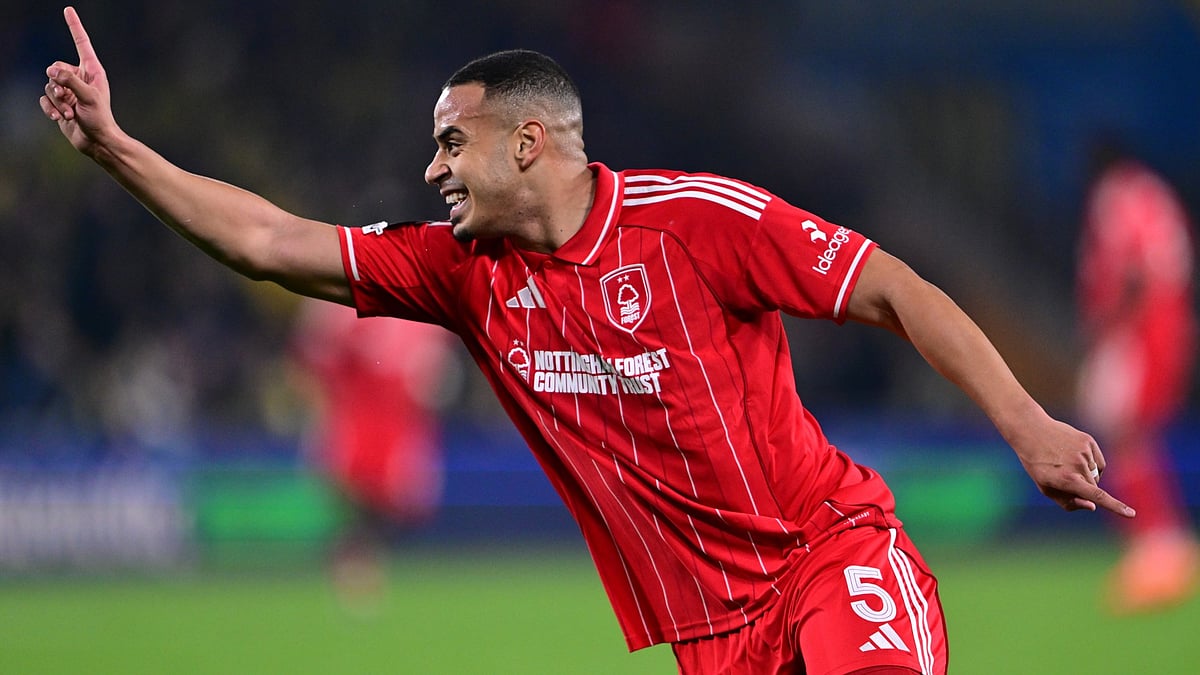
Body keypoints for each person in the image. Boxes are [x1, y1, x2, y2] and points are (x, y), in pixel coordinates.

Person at [41, 7, 1134, 673]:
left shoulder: (696, 223)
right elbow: (273, 240)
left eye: (450, 144)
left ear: (528, 143)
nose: (433, 172)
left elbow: (889, 286)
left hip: (829, 556)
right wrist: (120, 151)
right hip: (714, 635)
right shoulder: (461, 276)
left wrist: (1026, 420)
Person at [1076, 140, 1198, 614]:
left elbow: (1131, 275)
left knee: (1124, 435)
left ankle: (1158, 553)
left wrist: (1104, 329)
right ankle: (1161, 549)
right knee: (1132, 437)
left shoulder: (1117, 197)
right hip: (1170, 320)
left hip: (1143, 327)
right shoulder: (1154, 193)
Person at [289, 298, 456, 608]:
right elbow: (317, 360)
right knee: (361, 498)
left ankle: (356, 562)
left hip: (401, 424)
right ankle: (353, 566)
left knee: (399, 506)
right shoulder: (346, 308)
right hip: (359, 420)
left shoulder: (425, 311)